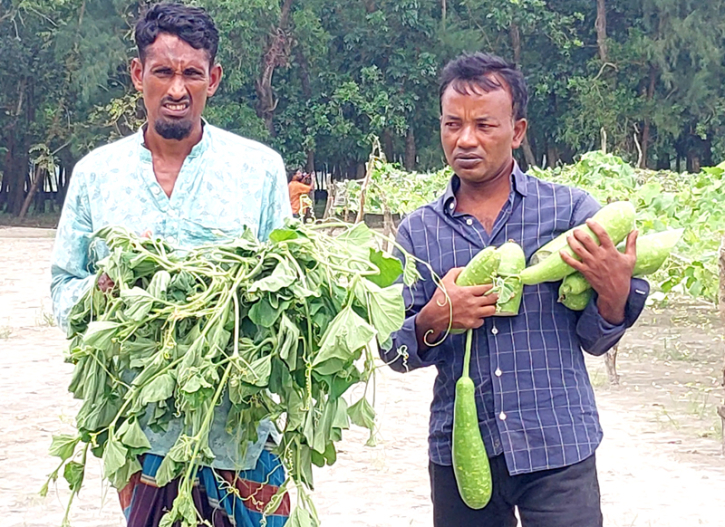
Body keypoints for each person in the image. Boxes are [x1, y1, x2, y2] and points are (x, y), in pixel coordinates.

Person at [380, 52, 650, 527]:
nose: (465, 139)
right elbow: (393, 352)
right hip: (462, 453)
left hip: (559, 445)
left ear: (517, 131)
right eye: (452, 124)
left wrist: (613, 291)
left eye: (484, 125)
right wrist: (433, 319)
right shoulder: (416, 234)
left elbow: (596, 339)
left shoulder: (571, 214)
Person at [50, 4, 291, 526]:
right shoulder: (97, 175)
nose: (177, 89)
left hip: (242, 430)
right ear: (139, 75)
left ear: (214, 79)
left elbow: (289, 288)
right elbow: (62, 289)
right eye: (163, 71)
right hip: (140, 432)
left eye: (191, 74)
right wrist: (101, 290)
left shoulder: (259, 171)